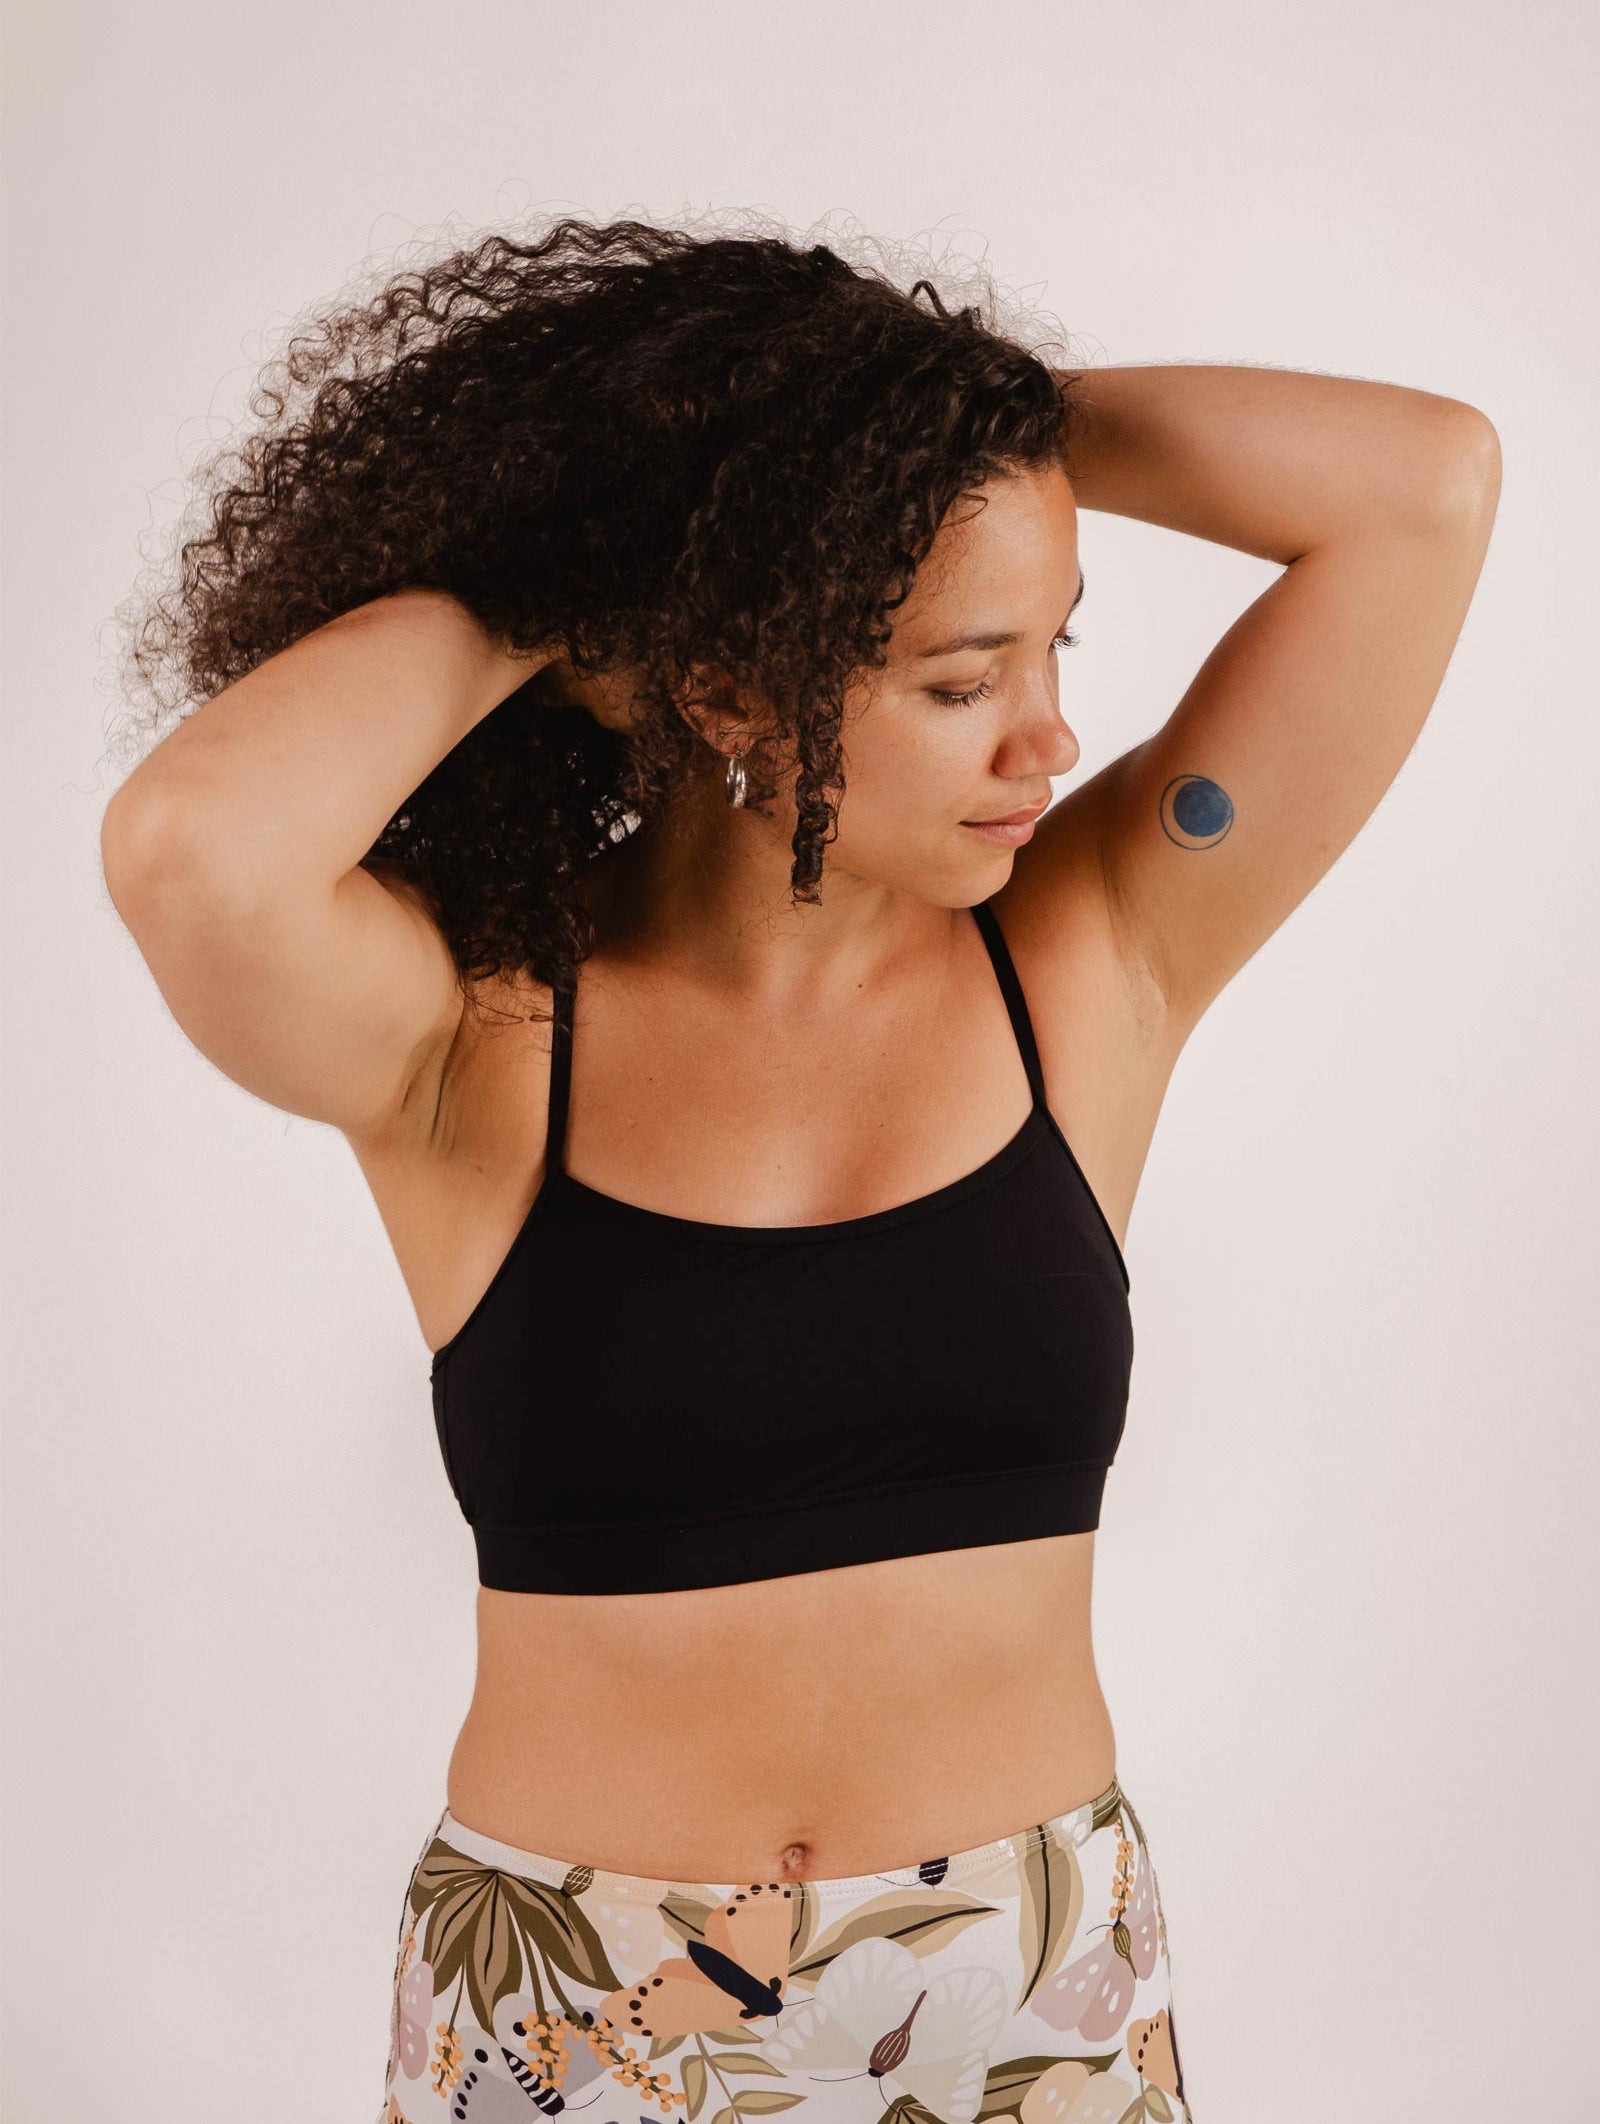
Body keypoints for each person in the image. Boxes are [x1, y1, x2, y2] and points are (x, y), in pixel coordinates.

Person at [99, 214, 1500, 2124]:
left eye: (1052, 649)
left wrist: (925, 442)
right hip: (579, 2011)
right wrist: (610, 562)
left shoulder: (1093, 961)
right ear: (728, 684)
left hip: (1033, 1994)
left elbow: (1425, 489)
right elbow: (193, 849)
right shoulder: (473, 1035)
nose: (1050, 734)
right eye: (956, 680)